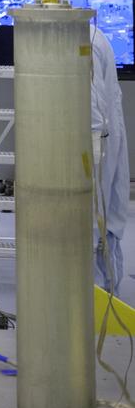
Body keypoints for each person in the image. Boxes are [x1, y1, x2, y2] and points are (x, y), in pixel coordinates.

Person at [91, 26, 130, 293]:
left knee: (96, 218)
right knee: (107, 215)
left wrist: (93, 148)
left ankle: (98, 298)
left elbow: (93, 104)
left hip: (98, 142)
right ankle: (108, 292)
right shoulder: (95, 36)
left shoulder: (84, 42)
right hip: (106, 137)